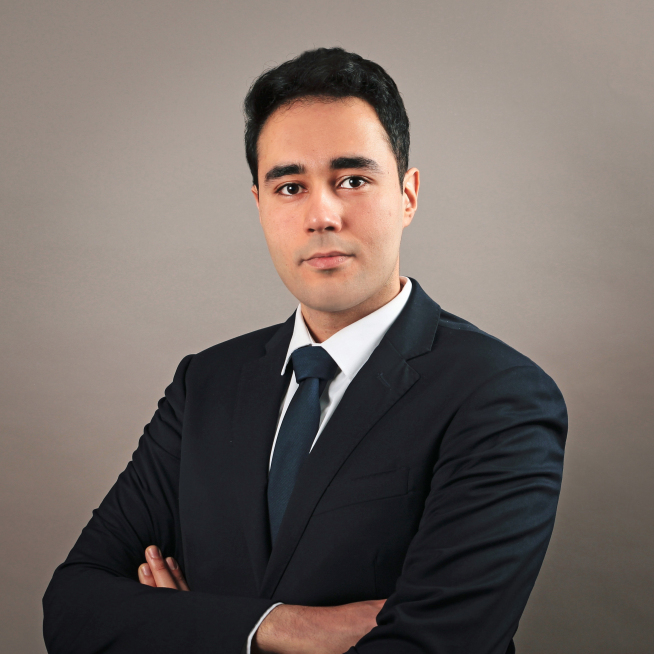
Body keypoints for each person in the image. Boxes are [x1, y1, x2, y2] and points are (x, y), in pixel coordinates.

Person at [42, 47, 567, 654]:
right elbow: (72, 610)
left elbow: (434, 646)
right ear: (260, 206)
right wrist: (282, 627)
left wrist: (185, 625)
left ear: (407, 195)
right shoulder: (205, 384)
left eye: (353, 180)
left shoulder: (500, 396)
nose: (321, 215)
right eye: (290, 187)